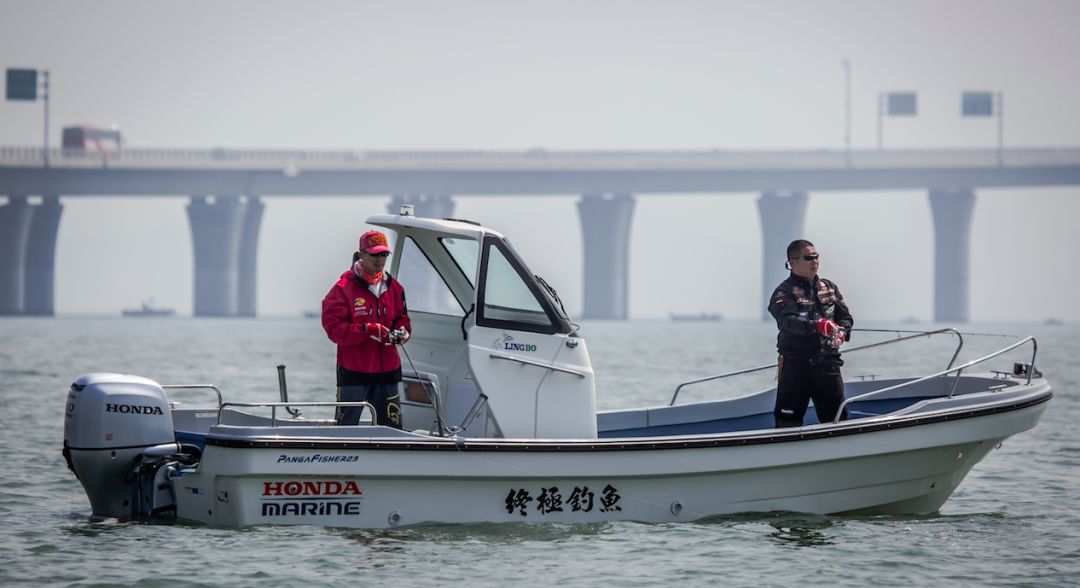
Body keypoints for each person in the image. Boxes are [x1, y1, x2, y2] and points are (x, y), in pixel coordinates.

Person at [322, 230, 412, 428]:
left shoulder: (395, 288)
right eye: (374, 254)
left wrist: (403, 332)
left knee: (391, 430)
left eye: (384, 254)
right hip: (353, 374)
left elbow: (403, 319)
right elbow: (333, 328)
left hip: (388, 373)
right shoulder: (342, 288)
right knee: (346, 429)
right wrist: (366, 331)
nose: (380, 260)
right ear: (361, 255)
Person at [767, 239, 854, 428]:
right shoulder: (783, 292)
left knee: (838, 422)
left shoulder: (829, 287)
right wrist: (818, 325)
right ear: (793, 262)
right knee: (787, 423)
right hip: (795, 367)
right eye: (809, 258)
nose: (815, 261)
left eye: (816, 257)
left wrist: (842, 332)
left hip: (828, 366)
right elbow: (787, 322)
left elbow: (846, 318)